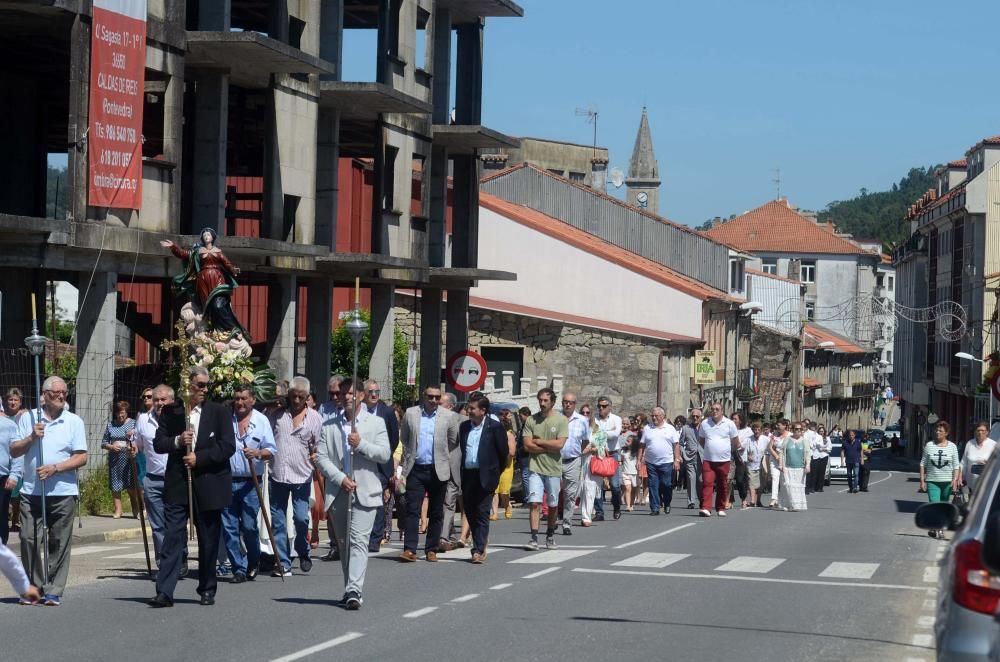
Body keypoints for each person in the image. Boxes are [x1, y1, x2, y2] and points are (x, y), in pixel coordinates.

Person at [149, 366, 236, 608]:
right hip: (178, 484)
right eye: (200, 385)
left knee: (208, 539)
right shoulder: (172, 412)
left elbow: (228, 446)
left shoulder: (218, 412)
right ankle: (165, 591)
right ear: (188, 385)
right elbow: (159, 443)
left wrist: (201, 458)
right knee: (173, 538)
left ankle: (207, 587)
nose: (204, 390)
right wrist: (178, 441)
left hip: (209, 484)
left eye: (207, 385)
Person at [313, 379, 390, 609]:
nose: (346, 397)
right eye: (343, 393)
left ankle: (354, 589)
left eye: (351, 393)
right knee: (345, 543)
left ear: (361, 396)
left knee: (358, 541)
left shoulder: (375, 423)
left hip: (365, 490)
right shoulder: (329, 426)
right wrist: (340, 478)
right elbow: (322, 458)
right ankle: (350, 588)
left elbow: (384, 454)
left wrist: (362, 444)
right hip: (339, 491)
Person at [11, 375, 87, 606]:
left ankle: (53, 589)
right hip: (32, 491)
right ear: (44, 396)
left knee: (59, 542)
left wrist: (56, 467)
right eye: (57, 393)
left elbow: (81, 457)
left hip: (63, 491)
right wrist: (32, 436)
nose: (62, 396)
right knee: (28, 538)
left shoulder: (74, 421)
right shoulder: (28, 419)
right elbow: (14, 450)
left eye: (64, 392)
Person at [269, 376, 323, 577]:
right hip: (278, 475)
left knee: (301, 518)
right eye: (294, 396)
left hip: (302, 475)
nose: (297, 401)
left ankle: (302, 547)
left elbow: (320, 446)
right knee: (279, 521)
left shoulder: (315, 418)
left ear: (308, 397)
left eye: (301, 397)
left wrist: (316, 454)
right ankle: (283, 561)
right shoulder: (277, 415)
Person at [398, 386, 460, 562]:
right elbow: (405, 437)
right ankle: (410, 549)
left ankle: (431, 548)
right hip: (416, 468)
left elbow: (453, 441)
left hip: (437, 469)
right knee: (412, 509)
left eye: (437, 397)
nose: (433, 400)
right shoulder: (411, 413)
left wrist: (442, 456)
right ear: (424, 396)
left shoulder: (448, 416)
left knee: (436, 511)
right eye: (430, 397)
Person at [222, 385, 276, 583]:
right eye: (237, 398)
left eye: (244, 398)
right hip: (227, 479)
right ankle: (238, 568)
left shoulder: (261, 421)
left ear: (253, 400)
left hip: (251, 482)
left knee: (249, 526)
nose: (240, 402)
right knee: (229, 527)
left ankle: (253, 560)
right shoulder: (227, 420)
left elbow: (271, 450)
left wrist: (257, 453)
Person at [134, 384, 185, 575]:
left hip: (176, 478)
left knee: (175, 524)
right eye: (156, 399)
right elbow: (138, 444)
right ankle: (164, 565)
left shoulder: (181, 418)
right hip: (153, 479)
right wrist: (133, 447)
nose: (159, 403)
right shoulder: (143, 420)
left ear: (172, 400)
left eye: (163, 399)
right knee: (158, 526)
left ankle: (181, 557)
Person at [161, 229, 246, 337]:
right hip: (203, 281)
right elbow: (183, 254)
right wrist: (173, 247)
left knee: (218, 305)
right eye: (204, 235)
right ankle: (216, 329)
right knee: (208, 307)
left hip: (217, 279)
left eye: (208, 234)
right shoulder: (197, 252)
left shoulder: (218, 251)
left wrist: (234, 270)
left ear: (212, 237)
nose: (206, 236)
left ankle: (233, 328)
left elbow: (227, 263)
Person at [459, 395, 511, 563]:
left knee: (482, 512)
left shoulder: (494, 427)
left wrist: (494, 473)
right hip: (468, 475)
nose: (469, 411)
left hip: (486, 476)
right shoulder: (464, 427)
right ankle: (480, 539)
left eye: (473, 408)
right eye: (469, 408)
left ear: (483, 411)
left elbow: (503, 453)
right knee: (471, 512)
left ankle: (478, 549)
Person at [521, 388, 568, 550]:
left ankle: (550, 535)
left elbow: (560, 445)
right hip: (535, 468)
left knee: (553, 505)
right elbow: (527, 446)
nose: (542, 403)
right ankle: (534, 538)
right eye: (540, 400)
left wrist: (540, 442)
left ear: (553, 402)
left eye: (545, 400)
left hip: (554, 469)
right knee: (534, 503)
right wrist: (548, 446)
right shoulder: (531, 420)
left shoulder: (561, 420)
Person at [919, 421, 961, 539]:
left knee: (944, 505)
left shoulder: (952, 447)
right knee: (934, 504)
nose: (937, 432)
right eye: (936, 430)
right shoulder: (929, 445)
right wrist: (922, 480)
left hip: (947, 482)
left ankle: (937, 527)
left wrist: (955, 479)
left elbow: (956, 465)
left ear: (946, 433)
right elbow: (923, 464)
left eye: (940, 431)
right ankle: (939, 529)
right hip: (932, 480)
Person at [697, 402, 739, 517]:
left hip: (724, 460)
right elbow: (701, 440)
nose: (714, 411)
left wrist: (727, 451)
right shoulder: (705, 423)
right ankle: (706, 508)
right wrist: (711, 448)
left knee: (722, 484)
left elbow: (735, 441)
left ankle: (720, 507)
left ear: (722, 411)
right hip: (708, 460)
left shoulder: (729, 424)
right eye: (712, 409)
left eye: (717, 409)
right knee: (707, 483)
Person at [638, 407, 681, 515]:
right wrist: (639, 459)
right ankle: (655, 508)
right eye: (652, 416)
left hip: (666, 462)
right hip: (651, 462)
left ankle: (666, 502)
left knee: (666, 484)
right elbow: (642, 445)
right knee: (653, 485)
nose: (653, 418)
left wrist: (676, 460)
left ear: (663, 416)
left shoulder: (670, 428)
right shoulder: (647, 428)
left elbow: (676, 445)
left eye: (656, 416)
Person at [437, 392, 465, 551]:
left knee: (448, 502)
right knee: (440, 503)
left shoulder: (462, 421)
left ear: (451, 406)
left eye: (441, 403)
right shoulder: (432, 419)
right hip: (434, 468)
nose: (437, 405)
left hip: (453, 468)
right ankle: (451, 533)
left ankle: (443, 537)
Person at [557, 392, 588, 535]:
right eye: (565, 402)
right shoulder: (555, 417)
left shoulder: (582, 420)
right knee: (553, 492)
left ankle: (567, 523)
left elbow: (585, 440)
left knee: (570, 494)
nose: (567, 404)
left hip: (573, 460)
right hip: (555, 460)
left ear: (575, 404)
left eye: (570, 402)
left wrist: (578, 453)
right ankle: (554, 520)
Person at [101, 400, 139, 519]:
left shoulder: (134, 423)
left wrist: (133, 445)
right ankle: (118, 510)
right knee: (115, 485)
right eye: (118, 413)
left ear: (126, 412)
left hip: (129, 459)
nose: (120, 415)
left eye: (122, 412)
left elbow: (139, 440)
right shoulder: (110, 425)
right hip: (115, 459)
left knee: (131, 486)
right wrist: (111, 447)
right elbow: (103, 443)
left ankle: (136, 508)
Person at [594, 396, 624, 520]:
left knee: (615, 485)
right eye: (599, 406)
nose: (601, 408)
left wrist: (601, 432)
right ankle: (599, 512)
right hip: (598, 453)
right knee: (598, 485)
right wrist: (607, 432)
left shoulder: (616, 419)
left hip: (612, 454)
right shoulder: (595, 419)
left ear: (609, 407)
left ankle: (616, 507)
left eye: (604, 406)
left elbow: (615, 434)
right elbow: (592, 434)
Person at [3, 388, 26, 536]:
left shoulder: (23, 416)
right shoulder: (2, 417)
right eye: (10, 399)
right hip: (4, 457)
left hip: (18, 458)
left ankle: (16, 520)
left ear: (20, 402)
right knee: (7, 492)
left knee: (17, 491)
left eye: (15, 400)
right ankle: (6, 518)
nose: (13, 402)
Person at [579, 412, 608, 526]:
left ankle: (586, 517)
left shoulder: (599, 431)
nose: (585, 414)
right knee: (581, 490)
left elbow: (603, 449)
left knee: (590, 489)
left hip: (593, 463)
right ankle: (583, 513)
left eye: (588, 413)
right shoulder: (576, 429)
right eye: (583, 412)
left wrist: (594, 450)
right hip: (578, 462)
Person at [0, 413, 22, 545]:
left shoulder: (9, 426)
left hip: (2, 477)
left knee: (1, 516)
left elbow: (17, 453)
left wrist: (14, 475)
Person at [779, 422, 809, 512]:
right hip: (788, 467)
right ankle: (788, 505)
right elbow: (781, 452)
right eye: (796, 429)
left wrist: (808, 465)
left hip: (800, 468)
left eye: (800, 429)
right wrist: (781, 464)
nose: (798, 431)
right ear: (793, 430)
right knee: (788, 487)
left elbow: (808, 454)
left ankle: (796, 505)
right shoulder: (787, 440)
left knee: (797, 488)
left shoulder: (804, 441)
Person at [961, 421, 997, 497]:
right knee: (971, 506)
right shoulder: (969, 444)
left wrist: (989, 463)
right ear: (975, 432)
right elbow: (964, 462)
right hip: (971, 485)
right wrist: (960, 477)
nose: (980, 433)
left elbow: (997, 464)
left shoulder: (993, 445)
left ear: (987, 432)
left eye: (983, 431)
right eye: (978, 430)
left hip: (987, 484)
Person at [494, 408, 517, 520]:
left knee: (504, 491)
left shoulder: (509, 434)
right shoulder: (495, 433)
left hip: (506, 466)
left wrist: (502, 456)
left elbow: (512, 452)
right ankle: (494, 513)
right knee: (494, 490)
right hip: (495, 465)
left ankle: (507, 505)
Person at [678, 409, 703, 510]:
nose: (695, 418)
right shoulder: (685, 428)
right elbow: (680, 443)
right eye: (693, 416)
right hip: (689, 457)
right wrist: (682, 454)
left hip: (702, 457)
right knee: (691, 479)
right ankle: (691, 502)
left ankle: (702, 500)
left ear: (701, 417)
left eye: (697, 416)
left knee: (701, 480)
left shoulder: (704, 428)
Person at [731, 412, 752, 509]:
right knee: (728, 480)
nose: (733, 421)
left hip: (741, 458)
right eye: (732, 419)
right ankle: (729, 500)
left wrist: (736, 445)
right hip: (729, 457)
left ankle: (743, 498)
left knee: (740, 480)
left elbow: (744, 445)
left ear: (740, 420)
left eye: (735, 419)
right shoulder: (728, 429)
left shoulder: (747, 431)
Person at [767, 420, 789, 508]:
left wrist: (782, 457)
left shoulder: (789, 435)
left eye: (779, 425)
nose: (777, 426)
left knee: (783, 479)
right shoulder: (774, 434)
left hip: (785, 460)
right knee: (775, 477)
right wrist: (776, 456)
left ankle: (783, 499)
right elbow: (770, 447)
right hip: (774, 459)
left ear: (784, 426)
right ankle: (774, 498)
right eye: (777, 425)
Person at [620, 427, 639, 511]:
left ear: (633, 443)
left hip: (635, 473)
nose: (626, 442)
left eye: (628, 441)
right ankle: (627, 505)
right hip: (625, 473)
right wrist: (620, 463)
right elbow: (621, 460)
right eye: (626, 440)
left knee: (634, 489)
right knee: (628, 489)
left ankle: (631, 504)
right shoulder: (623, 451)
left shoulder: (637, 452)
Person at [808, 424, 831, 494]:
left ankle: (820, 487)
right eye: (820, 431)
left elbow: (829, 448)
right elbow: (814, 445)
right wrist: (820, 446)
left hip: (824, 456)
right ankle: (813, 487)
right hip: (816, 456)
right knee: (814, 472)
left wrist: (823, 449)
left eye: (822, 431)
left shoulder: (827, 438)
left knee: (822, 472)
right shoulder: (816, 437)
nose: (821, 432)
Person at [746, 422, 764, 507]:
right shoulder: (749, 439)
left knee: (760, 484)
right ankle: (752, 500)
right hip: (751, 464)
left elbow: (770, 448)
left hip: (762, 464)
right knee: (751, 481)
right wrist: (747, 456)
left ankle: (758, 500)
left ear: (761, 431)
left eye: (758, 430)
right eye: (755, 429)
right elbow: (743, 449)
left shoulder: (765, 439)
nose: (756, 431)